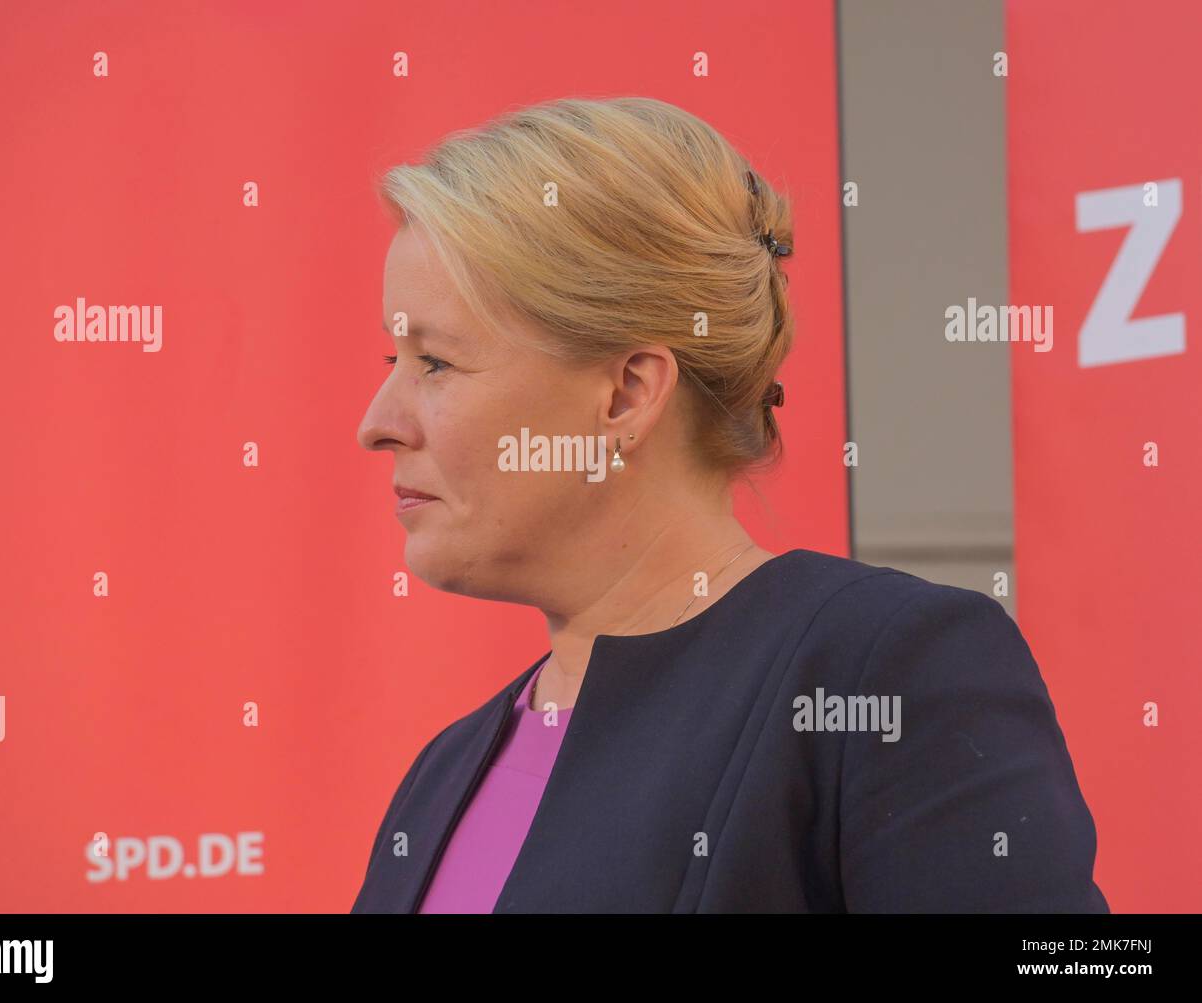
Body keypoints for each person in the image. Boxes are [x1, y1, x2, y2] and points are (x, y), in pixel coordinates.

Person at [352, 96, 1108, 913]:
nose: (376, 424)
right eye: (392, 357)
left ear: (627, 394)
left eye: (434, 362)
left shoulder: (882, 670)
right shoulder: (441, 776)